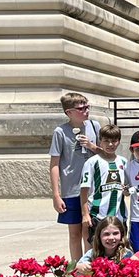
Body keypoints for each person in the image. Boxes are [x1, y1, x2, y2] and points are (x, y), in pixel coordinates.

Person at [49, 92, 102, 266]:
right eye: (81, 108)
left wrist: (92, 146)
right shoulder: (60, 132)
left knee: (90, 231)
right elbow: (55, 163)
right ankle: (76, 267)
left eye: (87, 107)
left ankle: (89, 266)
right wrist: (56, 195)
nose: (86, 111)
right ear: (69, 112)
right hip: (71, 188)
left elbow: (106, 153)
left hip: (93, 189)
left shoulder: (95, 126)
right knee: (74, 233)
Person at [79, 124, 129, 246]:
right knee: (95, 250)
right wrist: (85, 214)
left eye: (114, 141)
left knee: (120, 249)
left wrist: (127, 191)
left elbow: (127, 189)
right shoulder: (92, 162)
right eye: (106, 141)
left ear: (119, 142)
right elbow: (84, 190)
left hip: (119, 215)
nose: (110, 144)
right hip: (98, 215)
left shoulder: (124, 162)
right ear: (100, 141)